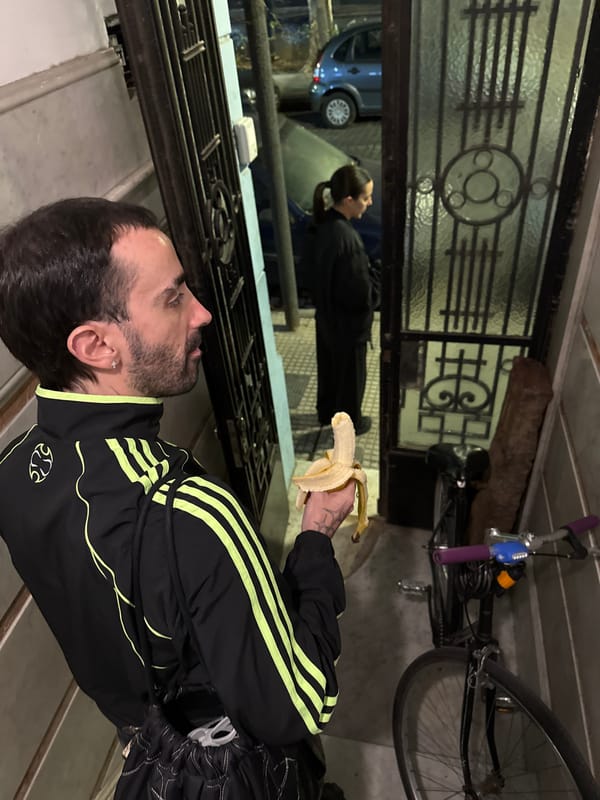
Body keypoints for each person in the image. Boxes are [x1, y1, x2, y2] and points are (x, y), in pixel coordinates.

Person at [0, 198, 356, 796]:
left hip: (145, 743)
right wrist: (316, 534)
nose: (204, 312)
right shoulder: (189, 512)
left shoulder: (13, 471)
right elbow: (301, 703)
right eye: (173, 298)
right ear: (95, 347)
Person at [309, 164, 380, 436]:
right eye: (365, 198)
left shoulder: (321, 225)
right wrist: (377, 278)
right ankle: (351, 424)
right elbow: (363, 296)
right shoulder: (347, 239)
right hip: (349, 326)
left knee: (329, 370)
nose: (370, 203)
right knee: (351, 377)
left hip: (326, 317)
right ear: (349, 200)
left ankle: (326, 412)